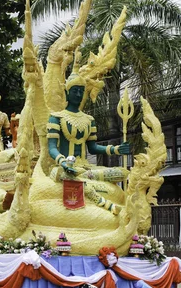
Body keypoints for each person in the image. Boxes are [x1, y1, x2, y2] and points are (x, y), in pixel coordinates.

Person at [46, 68, 129, 214]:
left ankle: (86, 181)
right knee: (66, 175)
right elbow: (52, 147)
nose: (78, 94)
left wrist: (115, 149)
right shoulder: (56, 117)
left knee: (123, 172)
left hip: (85, 169)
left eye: (81, 91)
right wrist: (63, 162)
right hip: (63, 168)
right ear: (67, 93)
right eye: (75, 90)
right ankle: (104, 204)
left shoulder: (89, 120)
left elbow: (93, 148)